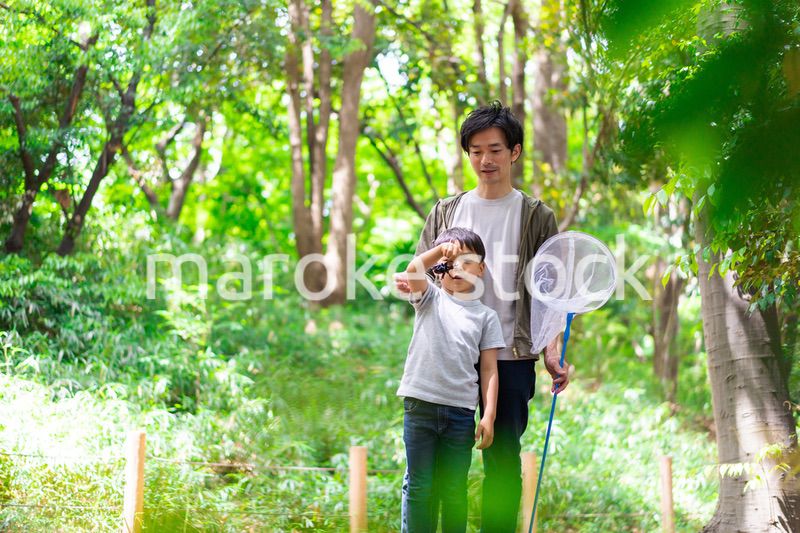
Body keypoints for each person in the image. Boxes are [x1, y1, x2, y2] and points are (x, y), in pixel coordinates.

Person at [396, 101, 569, 532]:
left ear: (514, 152)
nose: (485, 160)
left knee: (503, 458)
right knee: (437, 470)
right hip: (449, 357)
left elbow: (553, 290)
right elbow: (419, 275)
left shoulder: (536, 216)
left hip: (510, 353)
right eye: (476, 151)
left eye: (494, 150)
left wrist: (552, 351)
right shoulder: (447, 211)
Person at [398, 227, 504, 533]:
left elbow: (489, 370)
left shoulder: (486, 317)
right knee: (420, 486)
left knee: (454, 489)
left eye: (466, 261)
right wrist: (439, 252)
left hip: (460, 413)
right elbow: (413, 269)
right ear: (438, 269)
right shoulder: (430, 298)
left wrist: (489, 415)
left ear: (481, 269)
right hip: (420, 405)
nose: (457, 269)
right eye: (449, 263)